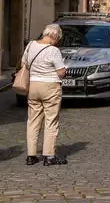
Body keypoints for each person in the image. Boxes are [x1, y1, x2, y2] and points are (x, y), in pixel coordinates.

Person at [24, 24, 67, 166]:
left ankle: (31, 155)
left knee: (33, 120)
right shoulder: (53, 51)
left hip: (33, 85)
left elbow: (24, 63)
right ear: (54, 37)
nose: (57, 42)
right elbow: (61, 72)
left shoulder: (31, 45)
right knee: (51, 120)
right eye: (57, 39)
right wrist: (64, 71)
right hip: (50, 86)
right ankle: (49, 155)